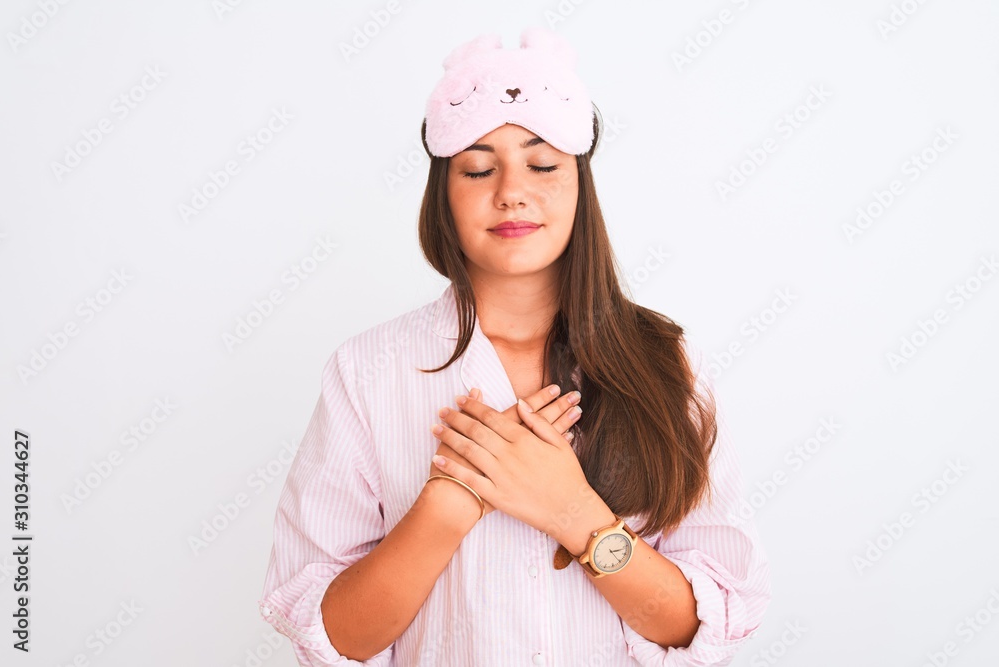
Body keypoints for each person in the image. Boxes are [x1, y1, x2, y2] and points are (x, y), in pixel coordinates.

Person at [258, 26, 771, 666]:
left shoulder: (665, 361)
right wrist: (450, 502)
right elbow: (336, 638)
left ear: (579, 182)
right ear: (443, 194)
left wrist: (573, 512)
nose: (510, 191)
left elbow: (702, 625)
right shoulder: (368, 371)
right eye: (478, 169)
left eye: (542, 164)